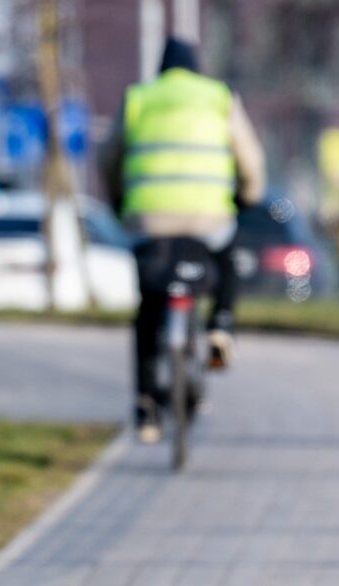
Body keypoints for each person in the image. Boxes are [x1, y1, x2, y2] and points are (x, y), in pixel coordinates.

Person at [101, 37, 266, 443]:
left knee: (148, 308)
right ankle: (221, 325)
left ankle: (145, 406)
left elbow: (109, 158)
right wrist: (249, 195)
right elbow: (250, 158)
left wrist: (120, 201)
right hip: (207, 216)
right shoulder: (218, 97)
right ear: (196, 67)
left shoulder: (138, 98)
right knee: (226, 257)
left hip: (150, 219)